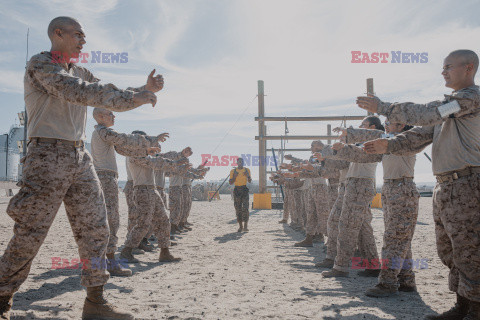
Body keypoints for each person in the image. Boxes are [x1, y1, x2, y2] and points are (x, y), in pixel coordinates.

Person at [0, 16, 160, 320]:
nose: (84, 40)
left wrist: (142, 89)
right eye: (78, 34)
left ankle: (96, 302)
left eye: (84, 35)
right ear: (57, 34)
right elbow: (80, 92)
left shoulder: (83, 71)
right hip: (45, 155)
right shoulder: (42, 64)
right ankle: (1, 297)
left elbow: (101, 91)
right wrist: (133, 98)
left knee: (96, 229)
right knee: (30, 234)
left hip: (78, 156)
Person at [357, 50, 480, 319]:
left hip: (469, 184)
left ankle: (476, 310)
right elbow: (417, 136)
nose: (443, 72)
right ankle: (463, 305)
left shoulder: (470, 98)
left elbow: (428, 114)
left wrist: (385, 107)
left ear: (469, 67)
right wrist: (388, 144)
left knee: (471, 251)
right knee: (451, 250)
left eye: (448, 67)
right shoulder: (447, 111)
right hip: (447, 186)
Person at [333, 121, 419, 297]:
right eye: (385, 123)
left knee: (394, 238)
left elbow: (379, 139)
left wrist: (350, 133)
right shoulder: (386, 142)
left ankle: (388, 283)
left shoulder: (405, 140)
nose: (386, 126)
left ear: (401, 124)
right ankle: (407, 279)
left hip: (403, 188)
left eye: (390, 122)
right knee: (400, 238)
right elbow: (364, 154)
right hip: (391, 188)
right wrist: (343, 149)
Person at [91, 108, 168, 276]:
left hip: (107, 177)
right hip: (105, 177)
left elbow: (123, 149)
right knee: (112, 220)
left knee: (111, 220)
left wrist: (146, 150)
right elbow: (124, 139)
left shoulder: (102, 133)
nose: (114, 116)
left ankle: (108, 260)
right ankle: (110, 262)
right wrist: (150, 140)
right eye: (110, 114)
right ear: (100, 117)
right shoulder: (104, 131)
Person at [320, 116, 383, 278]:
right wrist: (324, 160)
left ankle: (340, 266)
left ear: (373, 127)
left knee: (346, 226)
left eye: (364, 125)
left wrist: (344, 141)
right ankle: (372, 265)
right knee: (362, 227)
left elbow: (350, 156)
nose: (360, 127)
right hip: (353, 185)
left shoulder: (375, 140)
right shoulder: (360, 143)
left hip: (361, 185)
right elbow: (343, 163)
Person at [229, 158, 252, 232]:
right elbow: (230, 182)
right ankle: (240, 226)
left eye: (242, 162)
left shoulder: (247, 170)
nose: (240, 163)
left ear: (243, 162)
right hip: (237, 190)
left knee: (245, 208)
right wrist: (234, 177)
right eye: (239, 162)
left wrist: (248, 176)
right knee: (238, 208)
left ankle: (245, 226)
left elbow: (250, 181)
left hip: (244, 189)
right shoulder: (233, 171)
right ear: (237, 163)